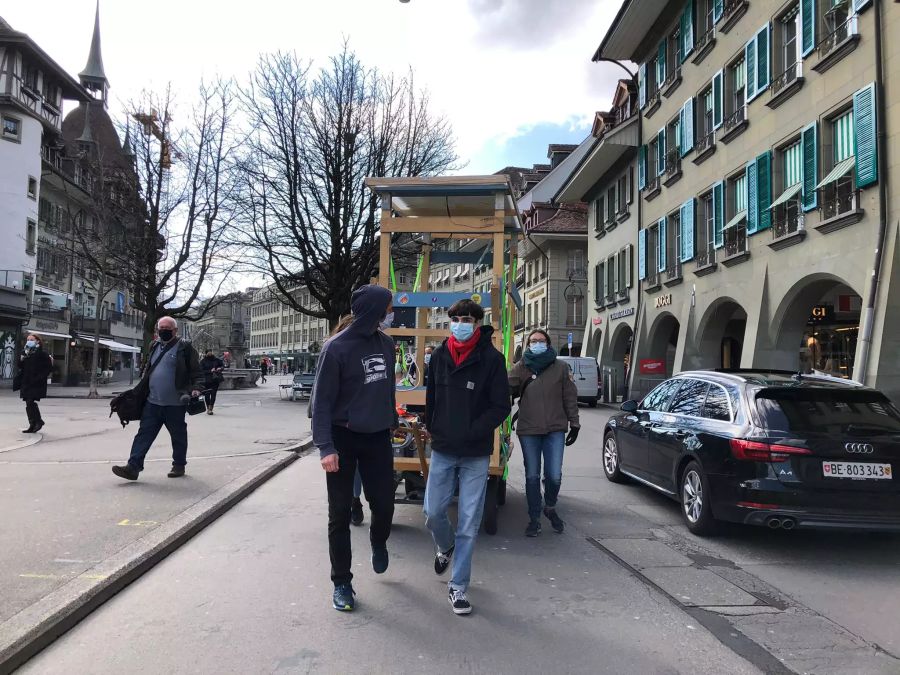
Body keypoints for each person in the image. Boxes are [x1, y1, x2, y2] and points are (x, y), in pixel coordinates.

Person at [311, 286, 397, 612]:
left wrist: (391, 418)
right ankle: (342, 582)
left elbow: (386, 386)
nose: (392, 314)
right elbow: (321, 404)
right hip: (342, 437)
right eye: (388, 308)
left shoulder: (386, 344)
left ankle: (378, 540)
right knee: (339, 513)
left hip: (377, 436)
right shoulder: (336, 349)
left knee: (384, 504)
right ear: (374, 310)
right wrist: (325, 448)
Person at [424, 299, 511, 616]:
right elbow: (431, 396)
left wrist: (475, 430)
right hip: (444, 448)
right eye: (455, 318)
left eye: (466, 318)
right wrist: (432, 427)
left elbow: (501, 405)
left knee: (469, 524)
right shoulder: (438, 356)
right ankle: (445, 545)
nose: (459, 323)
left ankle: (458, 587)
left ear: (477, 322)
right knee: (433, 512)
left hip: (475, 452)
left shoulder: (492, 359)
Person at [112, 317, 203, 481]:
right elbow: (149, 370)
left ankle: (179, 465)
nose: (164, 331)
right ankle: (133, 467)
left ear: (175, 331)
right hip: (152, 402)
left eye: (168, 328)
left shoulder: (184, 348)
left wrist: (196, 388)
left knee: (178, 435)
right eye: (161, 328)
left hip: (175, 404)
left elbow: (196, 372)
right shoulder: (153, 346)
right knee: (144, 434)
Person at [508, 329, 580, 537]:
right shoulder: (521, 367)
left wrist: (574, 424)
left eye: (541, 341)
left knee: (554, 475)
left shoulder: (560, 367)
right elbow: (505, 386)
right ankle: (534, 519)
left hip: (554, 429)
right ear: (528, 345)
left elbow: (569, 397)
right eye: (533, 341)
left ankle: (549, 506)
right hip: (528, 429)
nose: (537, 343)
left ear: (548, 344)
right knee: (532, 475)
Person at [16, 334, 52, 433]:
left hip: (36, 382)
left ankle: (38, 422)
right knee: (28, 403)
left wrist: (39, 377)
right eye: (28, 339)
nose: (29, 341)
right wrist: (21, 359)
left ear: (37, 341)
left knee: (30, 401)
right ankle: (33, 424)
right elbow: (20, 365)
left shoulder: (42, 354)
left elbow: (48, 368)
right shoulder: (25, 352)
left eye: (31, 339)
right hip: (26, 382)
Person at [200, 350, 225, 415]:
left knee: (213, 394)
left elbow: (222, 366)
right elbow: (201, 371)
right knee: (207, 394)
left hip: (215, 379)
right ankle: (208, 408)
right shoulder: (203, 361)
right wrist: (210, 371)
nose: (210, 354)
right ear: (206, 354)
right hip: (206, 381)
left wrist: (220, 368)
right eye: (208, 353)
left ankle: (211, 407)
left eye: (211, 352)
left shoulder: (216, 360)